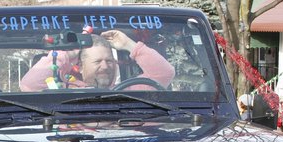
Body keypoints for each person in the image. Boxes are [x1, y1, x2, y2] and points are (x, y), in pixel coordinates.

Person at [20, 30, 174, 91]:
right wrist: (68, 54)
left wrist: (129, 45)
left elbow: (164, 74)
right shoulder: (61, 90)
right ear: (80, 66)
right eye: (97, 61)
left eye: (109, 60)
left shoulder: (128, 92)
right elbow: (29, 85)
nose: (105, 66)